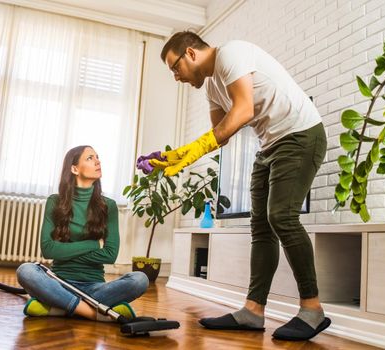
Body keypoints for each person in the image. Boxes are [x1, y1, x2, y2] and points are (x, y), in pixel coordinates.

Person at [137, 31, 330, 341]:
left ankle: (312, 308)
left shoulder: (231, 53)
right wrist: (173, 156)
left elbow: (243, 111)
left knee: (281, 216)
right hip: (270, 145)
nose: (176, 77)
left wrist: (190, 153)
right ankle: (253, 311)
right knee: (261, 226)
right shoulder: (213, 85)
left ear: (191, 53)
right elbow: (220, 134)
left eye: (175, 67)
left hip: (300, 134)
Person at [18, 145, 149, 321]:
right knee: (26, 271)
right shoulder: (55, 202)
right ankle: (93, 313)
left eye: (97, 157)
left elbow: (110, 255)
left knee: (140, 279)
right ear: (74, 169)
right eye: (90, 158)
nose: (97, 161)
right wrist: (92, 245)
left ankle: (58, 307)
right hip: (58, 282)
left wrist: (64, 251)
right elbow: (48, 250)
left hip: (95, 287)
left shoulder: (108, 206)